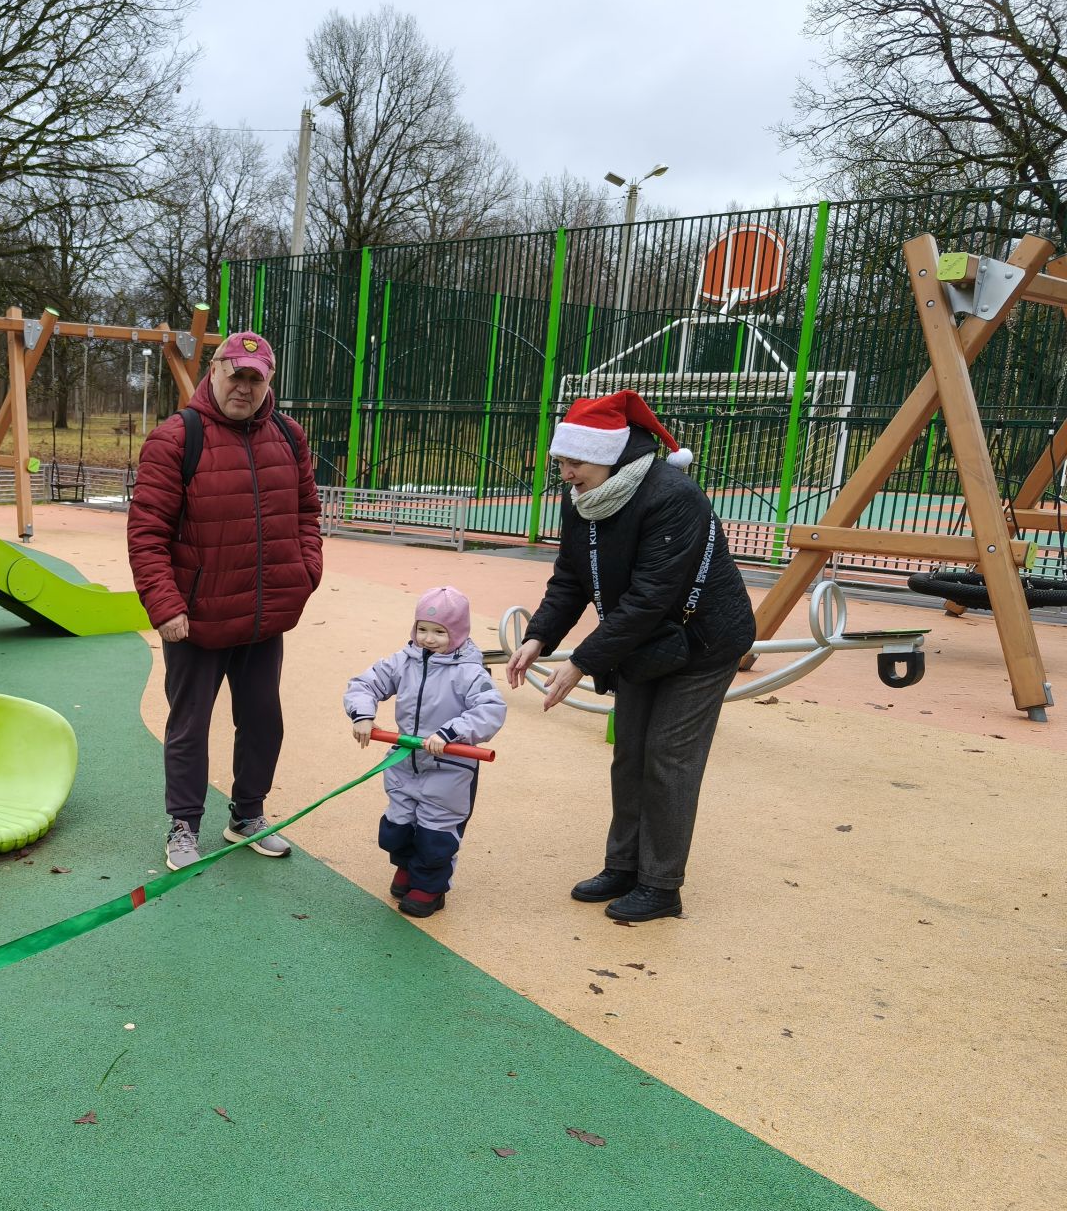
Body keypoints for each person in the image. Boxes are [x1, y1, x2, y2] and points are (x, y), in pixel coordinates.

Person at [504, 390, 755, 923]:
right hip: (645, 644)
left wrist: (583, 661)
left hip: (703, 641)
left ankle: (661, 885)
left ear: (611, 453)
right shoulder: (587, 497)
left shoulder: (672, 495)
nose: (566, 473)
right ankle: (623, 866)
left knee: (668, 756)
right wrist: (540, 636)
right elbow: (571, 576)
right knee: (630, 752)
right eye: (562, 462)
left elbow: (650, 595)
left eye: (574, 462)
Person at [126, 330, 323, 871]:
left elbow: (308, 513)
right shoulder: (177, 438)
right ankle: (183, 825)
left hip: (264, 614)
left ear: (268, 383)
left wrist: (305, 573)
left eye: (255, 378)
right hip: (198, 618)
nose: (244, 386)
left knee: (263, 719)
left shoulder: (288, 436)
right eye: (235, 373)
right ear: (214, 372)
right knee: (190, 724)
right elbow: (147, 533)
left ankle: (247, 815)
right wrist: (165, 606)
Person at [344, 586, 506, 917]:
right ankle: (405, 867)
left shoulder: (469, 672)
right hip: (405, 761)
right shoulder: (404, 661)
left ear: (458, 632)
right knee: (397, 826)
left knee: (436, 833)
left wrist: (450, 732)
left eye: (439, 632)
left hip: (449, 768)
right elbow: (365, 683)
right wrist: (363, 714)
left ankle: (429, 887)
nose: (428, 639)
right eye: (422, 629)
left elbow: (491, 710)